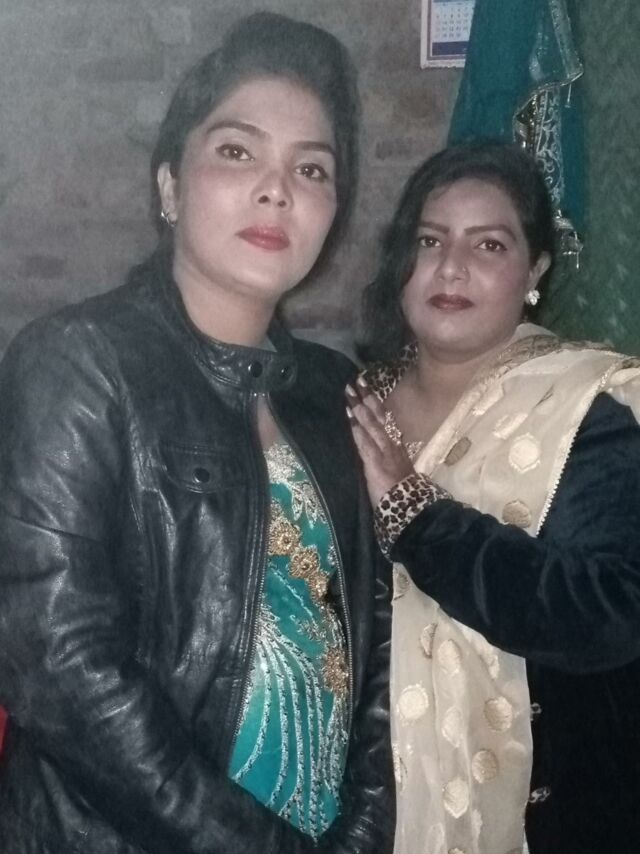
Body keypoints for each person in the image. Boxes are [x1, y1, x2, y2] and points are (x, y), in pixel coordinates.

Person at [0, 13, 395, 853]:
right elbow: (59, 666)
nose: (277, 189)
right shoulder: (79, 365)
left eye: (311, 168)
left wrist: (363, 832)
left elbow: (377, 639)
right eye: (238, 151)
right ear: (171, 187)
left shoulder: (333, 392)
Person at [346, 141, 640, 854]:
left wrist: (418, 519)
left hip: (545, 816)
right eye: (430, 240)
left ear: (534, 271)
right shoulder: (352, 405)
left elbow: (609, 615)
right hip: (353, 808)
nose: (451, 267)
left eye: (489, 245)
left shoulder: (583, 413)